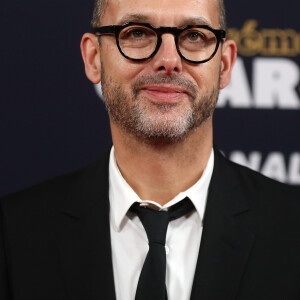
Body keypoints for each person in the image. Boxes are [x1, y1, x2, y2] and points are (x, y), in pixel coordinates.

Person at [1, 0, 300, 299]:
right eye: (138, 33)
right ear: (94, 58)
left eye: (194, 35)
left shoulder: (292, 228)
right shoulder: (14, 234)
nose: (168, 60)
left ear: (224, 65)